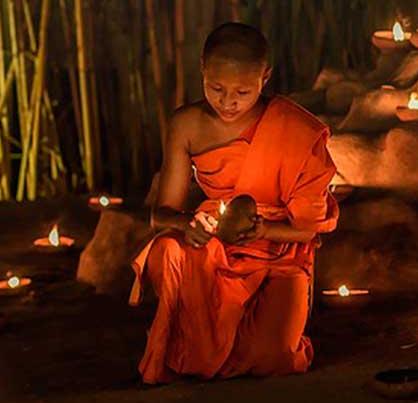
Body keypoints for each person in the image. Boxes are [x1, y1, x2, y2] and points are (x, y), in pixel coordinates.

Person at [129, 22, 338, 383]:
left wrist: (263, 229)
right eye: (216, 88)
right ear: (202, 71)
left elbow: (306, 230)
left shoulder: (295, 130)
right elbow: (161, 214)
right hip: (215, 243)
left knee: (274, 359)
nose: (228, 102)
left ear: (265, 77)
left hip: (278, 250)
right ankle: (187, 344)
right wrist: (186, 225)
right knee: (168, 251)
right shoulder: (187, 124)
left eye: (242, 91)